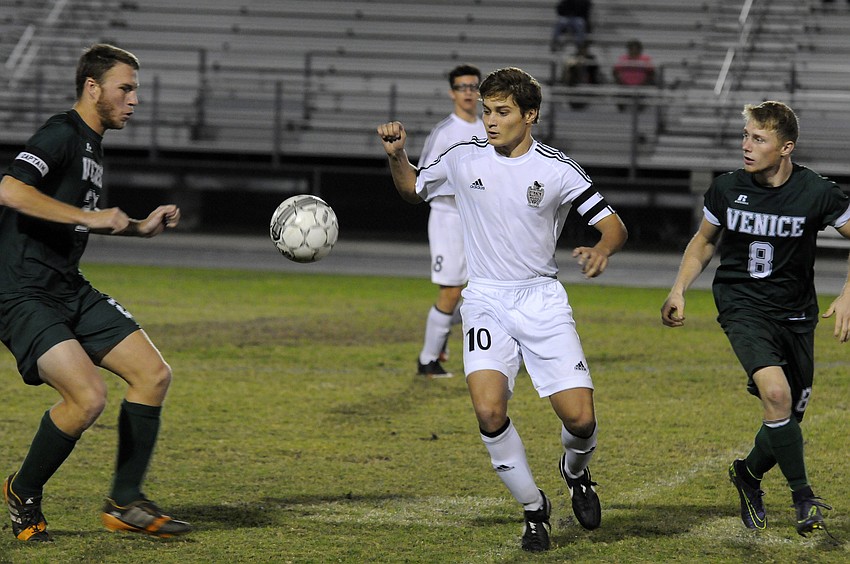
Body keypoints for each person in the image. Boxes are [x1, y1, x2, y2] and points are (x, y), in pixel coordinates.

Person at [377, 67, 628, 552]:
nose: (490, 121)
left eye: (502, 112)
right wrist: (397, 157)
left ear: (529, 115)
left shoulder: (556, 168)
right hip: (486, 299)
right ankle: (534, 510)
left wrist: (602, 249)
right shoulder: (463, 156)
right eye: (487, 111)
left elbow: (613, 224)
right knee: (489, 411)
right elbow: (412, 189)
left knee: (580, 420)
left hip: (541, 299)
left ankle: (575, 472)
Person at [0, 43, 191, 542]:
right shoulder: (61, 132)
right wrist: (90, 217)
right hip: (22, 291)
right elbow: (9, 189)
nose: (134, 99)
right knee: (87, 398)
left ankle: (125, 500)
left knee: (153, 374)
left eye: (135, 90)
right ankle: (22, 490)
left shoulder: (93, 145)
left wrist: (138, 228)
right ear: (93, 87)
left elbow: (83, 217)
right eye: (125, 88)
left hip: (67, 286)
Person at [661, 101, 850, 537]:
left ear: (786, 147)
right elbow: (704, 242)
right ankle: (803, 497)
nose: (746, 146)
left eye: (758, 139)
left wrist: (845, 294)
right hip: (742, 305)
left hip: (797, 313)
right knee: (777, 394)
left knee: (788, 414)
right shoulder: (726, 188)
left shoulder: (817, 192)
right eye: (745, 136)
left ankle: (747, 474)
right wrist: (678, 289)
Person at [415, 64, 486, 378]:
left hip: (481, 221)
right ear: (452, 93)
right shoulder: (445, 132)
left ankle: (441, 335)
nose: (468, 92)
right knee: (451, 291)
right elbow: (423, 180)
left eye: (473, 87)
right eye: (462, 87)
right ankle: (427, 360)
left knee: (483, 291)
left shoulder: (488, 128)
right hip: (448, 219)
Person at [561, 41, 601, 110]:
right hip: (574, 82)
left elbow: (595, 72)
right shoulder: (573, 57)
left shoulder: (591, 58)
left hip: (588, 82)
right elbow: (568, 69)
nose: (583, 51)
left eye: (584, 49)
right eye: (581, 49)